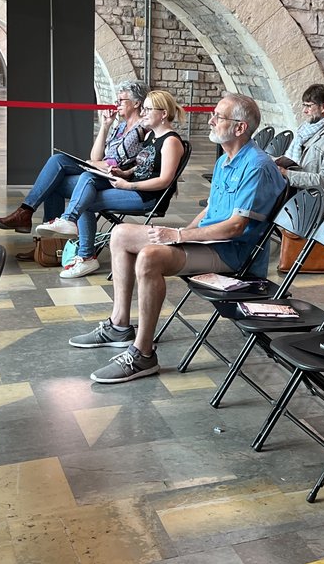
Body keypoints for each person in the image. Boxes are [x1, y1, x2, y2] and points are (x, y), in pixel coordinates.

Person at [70, 93, 286, 384]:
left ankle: (143, 355)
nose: (210, 120)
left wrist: (181, 235)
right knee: (120, 234)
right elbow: (211, 210)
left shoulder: (257, 165)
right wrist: (181, 236)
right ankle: (119, 326)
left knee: (150, 256)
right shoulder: (226, 159)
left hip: (232, 253)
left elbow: (235, 227)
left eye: (218, 116)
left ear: (239, 128)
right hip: (208, 241)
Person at [34, 90, 187, 279]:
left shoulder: (171, 141)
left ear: (163, 114)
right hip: (133, 186)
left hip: (147, 197)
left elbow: (165, 180)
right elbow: (142, 167)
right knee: (88, 179)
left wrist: (128, 185)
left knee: (86, 200)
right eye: (144, 108)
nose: (144, 113)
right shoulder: (151, 137)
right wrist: (124, 173)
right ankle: (72, 228)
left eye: (148, 109)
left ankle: (85, 252)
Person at [0, 80, 148, 235]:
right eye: (117, 100)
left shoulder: (140, 129)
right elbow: (95, 155)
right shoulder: (120, 127)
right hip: (98, 171)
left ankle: (36, 228)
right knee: (57, 161)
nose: (117, 103)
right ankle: (27, 215)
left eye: (121, 100)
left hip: (112, 178)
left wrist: (93, 163)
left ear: (136, 103)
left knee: (54, 183)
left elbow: (116, 164)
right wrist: (105, 126)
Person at [278, 84, 324, 199]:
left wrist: (287, 174)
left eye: (309, 106)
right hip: (289, 193)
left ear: (323, 107)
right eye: (304, 105)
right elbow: (293, 160)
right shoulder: (303, 129)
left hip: (312, 200)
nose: (304, 111)